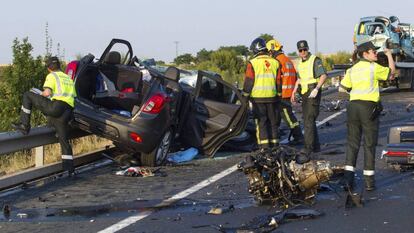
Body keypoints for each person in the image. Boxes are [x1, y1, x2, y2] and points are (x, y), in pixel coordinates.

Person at [340, 41, 395, 191]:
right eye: (373, 51)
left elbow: (342, 88)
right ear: (365, 54)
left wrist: (355, 95)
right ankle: (369, 182)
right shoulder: (373, 67)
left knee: (352, 144)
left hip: (353, 107)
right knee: (369, 144)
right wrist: (389, 54)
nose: (376, 53)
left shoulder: (352, 69)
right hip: (368, 108)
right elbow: (391, 74)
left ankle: (348, 181)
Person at [12, 56, 77, 175]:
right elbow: (72, 97)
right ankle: (69, 170)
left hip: (56, 107)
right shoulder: (68, 78)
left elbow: (47, 93)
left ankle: (24, 125)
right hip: (67, 112)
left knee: (28, 95)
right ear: (59, 66)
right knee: (64, 141)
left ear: (49, 68)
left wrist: (38, 93)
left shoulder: (52, 76)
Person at [291, 40, 327, 160]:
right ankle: (316, 146)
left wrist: (317, 88)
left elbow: (323, 75)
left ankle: (308, 148)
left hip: (313, 91)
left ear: (307, 49)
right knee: (308, 119)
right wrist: (294, 91)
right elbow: (300, 79)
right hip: (305, 92)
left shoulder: (314, 60)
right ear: (298, 51)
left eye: (305, 49)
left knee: (309, 120)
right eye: (301, 50)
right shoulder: (300, 63)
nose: (303, 52)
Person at [243, 37, 281, 152]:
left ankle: (264, 147)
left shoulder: (253, 63)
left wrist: (244, 96)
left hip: (258, 99)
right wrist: (279, 96)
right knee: (273, 122)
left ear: (255, 49)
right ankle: (275, 146)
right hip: (273, 98)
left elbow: (249, 81)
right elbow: (278, 81)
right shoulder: (275, 62)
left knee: (261, 123)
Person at [266, 39, 304, 145]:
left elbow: (275, 78)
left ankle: (298, 136)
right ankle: (275, 137)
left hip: (282, 93)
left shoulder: (277, 61)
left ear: (272, 51)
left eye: (269, 52)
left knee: (287, 116)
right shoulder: (287, 60)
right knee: (278, 115)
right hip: (289, 92)